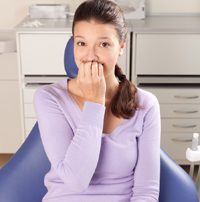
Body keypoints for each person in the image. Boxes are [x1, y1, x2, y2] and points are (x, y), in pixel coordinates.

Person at [34, 0, 161, 201]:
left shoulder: (146, 104)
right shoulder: (49, 98)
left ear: (121, 46)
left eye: (103, 44)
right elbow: (76, 180)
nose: (90, 56)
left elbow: (147, 191)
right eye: (81, 43)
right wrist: (95, 103)